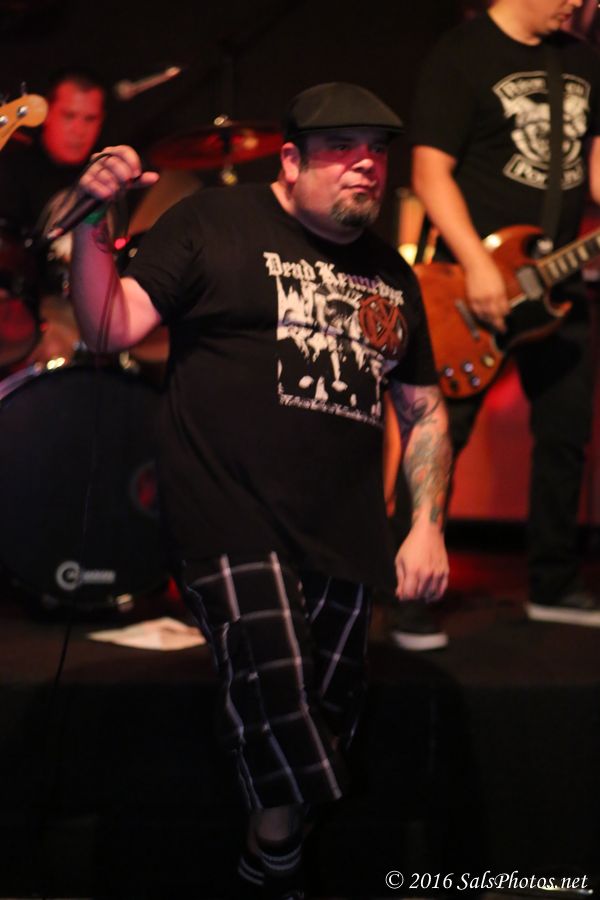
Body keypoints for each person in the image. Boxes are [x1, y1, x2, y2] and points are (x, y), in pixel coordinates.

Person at [68, 82, 452, 899]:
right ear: (289, 160)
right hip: (226, 511)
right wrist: (94, 222)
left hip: (345, 530)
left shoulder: (391, 273)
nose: (366, 165)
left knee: (323, 712)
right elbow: (111, 324)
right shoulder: (213, 222)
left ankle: (266, 855)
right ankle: (281, 869)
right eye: (342, 149)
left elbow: (422, 411)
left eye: (377, 152)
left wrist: (427, 524)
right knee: (278, 687)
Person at [392, 0, 600, 643]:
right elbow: (429, 172)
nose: (578, 2)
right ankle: (408, 593)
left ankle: (553, 583)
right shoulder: (462, 54)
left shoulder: (584, 61)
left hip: (556, 282)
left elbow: (594, 169)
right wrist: (477, 264)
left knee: (566, 434)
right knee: (438, 434)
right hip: (469, 283)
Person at [0, 68, 106, 364]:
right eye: (69, 116)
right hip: (34, 306)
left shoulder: (106, 171)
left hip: (96, 304)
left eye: (89, 119)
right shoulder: (13, 170)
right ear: (46, 112)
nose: (78, 130)